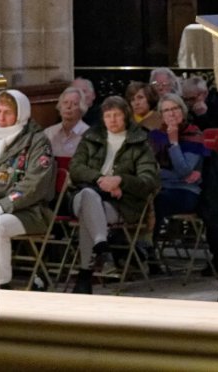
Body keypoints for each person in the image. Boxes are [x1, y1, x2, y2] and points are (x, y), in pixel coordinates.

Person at [69, 96, 160, 293]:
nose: (112, 120)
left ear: (126, 116)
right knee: (87, 196)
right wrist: (101, 179)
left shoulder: (140, 143)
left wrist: (121, 180)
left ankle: (85, 275)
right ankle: (102, 244)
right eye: (108, 115)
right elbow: (75, 169)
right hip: (87, 192)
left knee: (89, 216)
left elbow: (149, 182)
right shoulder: (91, 137)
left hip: (120, 203)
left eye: (117, 115)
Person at [0, 89, 56, 289]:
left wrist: (3, 205)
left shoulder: (38, 141)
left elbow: (35, 184)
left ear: (20, 114)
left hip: (31, 211)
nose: (1, 117)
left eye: (7, 112)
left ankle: (1, 285)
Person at [148, 94, 209, 225]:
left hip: (186, 191)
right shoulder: (154, 137)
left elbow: (184, 171)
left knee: (157, 201)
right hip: (159, 187)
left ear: (183, 110)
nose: (172, 114)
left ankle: (146, 243)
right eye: (166, 110)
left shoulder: (194, 135)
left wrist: (174, 142)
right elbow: (150, 170)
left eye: (175, 108)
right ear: (161, 115)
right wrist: (169, 176)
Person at [43, 86, 90, 158]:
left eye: (74, 104)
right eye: (65, 102)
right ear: (60, 106)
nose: (68, 106)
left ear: (81, 108)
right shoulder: (49, 133)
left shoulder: (89, 135)